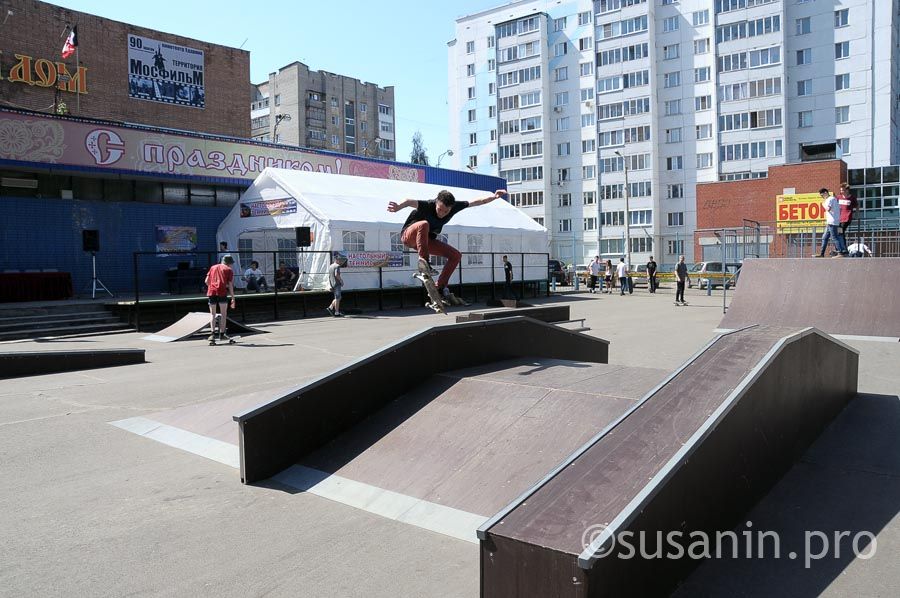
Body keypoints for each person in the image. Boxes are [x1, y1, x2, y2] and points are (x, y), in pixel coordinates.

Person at [388, 188, 507, 303]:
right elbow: (409, 201)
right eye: (440, 209)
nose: (442, 214)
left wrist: (494, 197)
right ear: (436, 203)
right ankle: (424, 262)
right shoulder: (428, 205)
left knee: (456, 255)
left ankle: (439, 287)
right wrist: (398, 207)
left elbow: (476, 202)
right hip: (409, 236)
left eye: (446, 211)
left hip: (425, 241)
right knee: (424, 224)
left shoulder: (454, 206)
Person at [205, 255, 236, 344]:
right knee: (223, 314)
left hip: (211, 292)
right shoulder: (229, 270)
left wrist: (212, 286)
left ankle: (212, 334)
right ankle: (222, 334)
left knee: (212, 314)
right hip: (222, 292)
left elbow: (206, 281)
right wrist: (233, 298)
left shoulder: (213, 267)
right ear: (229, 263)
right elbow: (230, 285)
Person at [817, 188, 848, 257]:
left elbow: (828, 209)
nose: (822, 197)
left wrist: (823, 204)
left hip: (832, 222)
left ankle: (840, 252)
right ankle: (822, 254)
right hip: (831, 222)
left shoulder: (830, 199)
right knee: (824, 238)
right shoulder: (833, 199)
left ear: (825, 193)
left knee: (834, 237)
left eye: (822, 195)